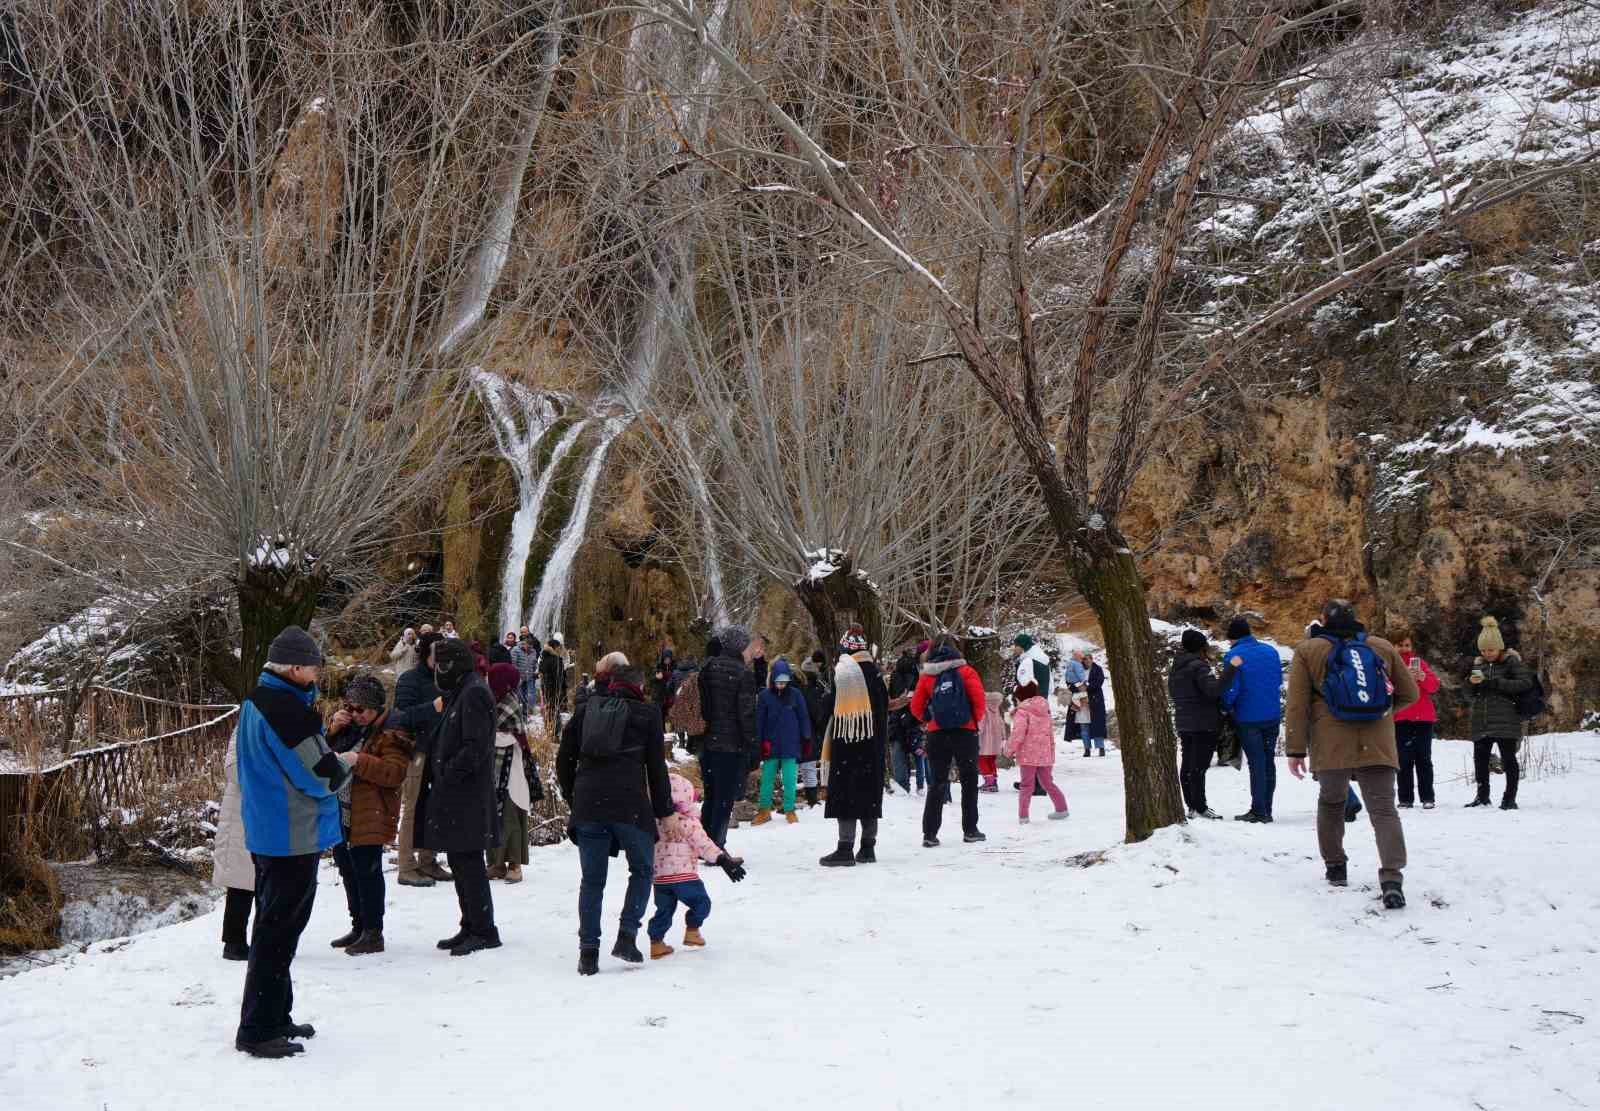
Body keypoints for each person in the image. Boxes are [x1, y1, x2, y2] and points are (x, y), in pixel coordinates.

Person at [233, 626, 351, 1059]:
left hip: (270, 830)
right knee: (276, 933)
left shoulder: (258, 700)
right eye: (314, 667)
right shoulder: (285, 710)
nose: (317, 675)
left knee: (275, 927)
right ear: (296, 668)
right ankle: (258, 1028)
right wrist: (346, 763)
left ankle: (276, 1015)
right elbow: (321, 776)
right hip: (289, 836)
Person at [1284, 600, 1419, 909]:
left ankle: (1335, 866)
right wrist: (1383, 712)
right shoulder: (1382, 646)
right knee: (1384, 809)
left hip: (1331, 739)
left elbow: (1297, 705)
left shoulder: (1308, 650)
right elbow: (1410, 693)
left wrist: (1295, 748)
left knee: (1332, 802)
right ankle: (1392, 878)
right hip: (1379, 738)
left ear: (1323, 621)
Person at [556, 662, 675, 975]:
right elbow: (656, 769)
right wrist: (665, 811)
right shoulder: (647, 715)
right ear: (639, 686)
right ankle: (626, 936)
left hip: (588, 804)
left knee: (592, 880)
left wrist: (574, 798)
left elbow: (563, 759)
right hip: (630, 805)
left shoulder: (586, 710)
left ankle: (588, 953)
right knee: (641, 869)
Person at [414, 638, 502, 956]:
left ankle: (483, 928)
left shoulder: (474, 692)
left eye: (440, 664)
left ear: (452, 664)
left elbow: (475, 748)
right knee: (460, 861)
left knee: (468, 862)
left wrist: (448, 772)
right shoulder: (463, 690)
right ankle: (470, 924)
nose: (437, 670)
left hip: (466, 794)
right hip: (457, 794)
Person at [325, 674, 413, 956]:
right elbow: (323, 758)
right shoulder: (350, 728)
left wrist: (358, 761)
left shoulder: (393, 732)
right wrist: (333, 730)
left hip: (371, 811)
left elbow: (394, 773)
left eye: (360, 709)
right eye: (349, 707)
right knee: (348, 869)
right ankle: (359, 925)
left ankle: (373, 933)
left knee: (368, 871)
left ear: (375, 709)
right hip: (342, 810)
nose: (354, 714)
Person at [648, 772, 747, 960]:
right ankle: (692, 930)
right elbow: (704, 844)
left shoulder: (654, 822)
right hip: (685, 877)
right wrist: (722, 859)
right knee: (702, 903)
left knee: (663, 911)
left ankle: (656, 942)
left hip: (660, 879)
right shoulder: (689, 822)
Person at [819, 626, 890, 866]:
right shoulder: (877, 675)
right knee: (869, 796)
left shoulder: (845, 673)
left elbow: (829, 708)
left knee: (846, 795)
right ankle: (868, 848)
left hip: (848, 745)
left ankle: (845, 849)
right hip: (874, 746)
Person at [909, 634, 988, 848]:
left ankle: (930, 833)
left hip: (937, 734)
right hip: (965, 732)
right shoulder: (966, 671)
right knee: (969, 780)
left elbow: (916, 707)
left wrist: (929, 718)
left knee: (937, 782)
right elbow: (980, 702)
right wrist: (971, 721)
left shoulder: (927, 676)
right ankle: (970, 829)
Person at [388, 631, 451, 887]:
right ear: (426, 652)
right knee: (412, 807)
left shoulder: (445, 680)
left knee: (435, 807)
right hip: (417, 752)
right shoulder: (409, 679)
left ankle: (428, 859)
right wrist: (432, 708)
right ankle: (406, 864)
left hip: (440, 752)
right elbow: (400, 717)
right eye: (438, 652)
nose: (442, 658)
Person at [696, 625, 760, 848]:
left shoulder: (707, 667)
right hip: (731, 744)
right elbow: (747, 715)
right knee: (724, 799)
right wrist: (753, 747)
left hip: (707, 741)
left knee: (711, 795)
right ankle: (716, 847)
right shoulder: (743, 674)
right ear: (739, 645)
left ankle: (703, 844)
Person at [1465, 616, 1535, 810]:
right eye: (1484, 650)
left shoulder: (1512, 663)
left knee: (1509, 760)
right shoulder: (1478, 665)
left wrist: (1497, 683)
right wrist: (1470, 684)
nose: (1487, 654)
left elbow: (1525, 683)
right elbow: (1467, 694)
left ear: (1500, 648)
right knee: (1480, 760)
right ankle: (1482, 796)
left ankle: (1509, 798)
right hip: (1482, 720)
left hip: (1507, 720)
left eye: (1491, 650)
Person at [1221, 616, 1284, 822]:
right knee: (1268, 762)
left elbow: (1231, 689)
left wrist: (1226, 707)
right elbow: (1277, 680)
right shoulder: (1270, 651)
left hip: (1248, 718)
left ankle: (1259, 811)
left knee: (1257, 763)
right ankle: (1267, 808)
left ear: (1233, 637)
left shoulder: (1234, 655)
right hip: (1272, 715)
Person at [1168, 629, 1226, 820]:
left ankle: (1191, 805)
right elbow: (1213, 691)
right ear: (1201, 647)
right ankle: (1200, 806)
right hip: (1204, 723)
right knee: (1198, 767)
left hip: (1185, 722)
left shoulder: (1176, 667)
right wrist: (1230, 672)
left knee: (1187, 765)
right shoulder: (1199, 667)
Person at [486, 662, 534, 883]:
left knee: (511, 815)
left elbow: (514, 736)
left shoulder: (510, 703)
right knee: (492, 815)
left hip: (511, 769)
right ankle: (496, 863)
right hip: (492, 768)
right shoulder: (491, 700)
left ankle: (514, 864)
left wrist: (487, 736)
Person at [754, 659, 811, 825]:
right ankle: (764, 810)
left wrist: (806, 737)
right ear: (773, 680)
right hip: (770, 745)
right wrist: (760, 742)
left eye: (784, 682)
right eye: (778, 682)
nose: (781, 685)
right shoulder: (764, 696)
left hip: (791, 744)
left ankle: (790, 809)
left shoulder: (796, 695)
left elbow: (803, 717)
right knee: (767, 779)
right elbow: (759, 721)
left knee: (790, 779)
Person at [213, 730, 254, 961]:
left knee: (270, 882)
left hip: (266, 811)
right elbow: (233, 769)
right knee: (241, 882)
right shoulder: (244, 729)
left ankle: (265, 940)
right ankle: (234, 942)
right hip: (241, 811)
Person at [1004, 680, 1068, 822]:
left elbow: (1018, 733)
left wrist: (1009, 749)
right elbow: (1050, 733)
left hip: (1028, 755)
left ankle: (1023, 816)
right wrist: (1051, 752)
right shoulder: (1045, 709)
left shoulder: (1022, 712)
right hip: (1044, 753)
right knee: (1047, 783)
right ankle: (1062, 808)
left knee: (1026, 785)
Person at [797, 653, 830, 805]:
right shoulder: (813, 688)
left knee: (798, 766)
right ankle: (811, 799)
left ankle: (802, 798)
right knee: (809, 766)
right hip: (809, 730)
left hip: (797, 730)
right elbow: (816, 711)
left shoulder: (797, 687)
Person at [977, 689, 1007, 792]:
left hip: (985, 741)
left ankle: (989, 782)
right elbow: (1002, 724)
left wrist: (976, 732)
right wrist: (1003, 737)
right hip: (995, 741)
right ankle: (993, 781)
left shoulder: (984, 709)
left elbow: (980, 723)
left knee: (982, 760)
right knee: (991, 761)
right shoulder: (997, 710)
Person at [1082, 652, 1109, 756]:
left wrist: (1086, 686)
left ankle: (1101, 747)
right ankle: (1087, 749)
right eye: (1084, 659)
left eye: (1088, 659)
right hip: (1082, 699)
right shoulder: (1080, 670)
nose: (1086, 661)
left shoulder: (1098, 669)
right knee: (1084, 725)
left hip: (1096, 699)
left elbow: (1099, 683)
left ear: (1092, 659)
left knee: (1098, 724)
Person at [539, 634, 568, 722]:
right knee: (554, 711)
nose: (560, 649)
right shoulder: (555, 660)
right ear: (554, 648)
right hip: (554, 690)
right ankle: (554, 731)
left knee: (550, 710)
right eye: (559, 647)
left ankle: (550, 728)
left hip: (547, 689)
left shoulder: (544, 658)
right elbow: (558, 677)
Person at [511, 632, 540, 714]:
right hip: (519, 677)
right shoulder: (515, 650)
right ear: (524, 643)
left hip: (529, 676)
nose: (530, 649)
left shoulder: (533, 651)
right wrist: (517, 676)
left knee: (528, 696)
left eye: (531, 647)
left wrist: (536, 670)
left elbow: (534, 662)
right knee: (518, 696)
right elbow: (513, 664)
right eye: (528, 646)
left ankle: (526, 712)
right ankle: (516, 713)